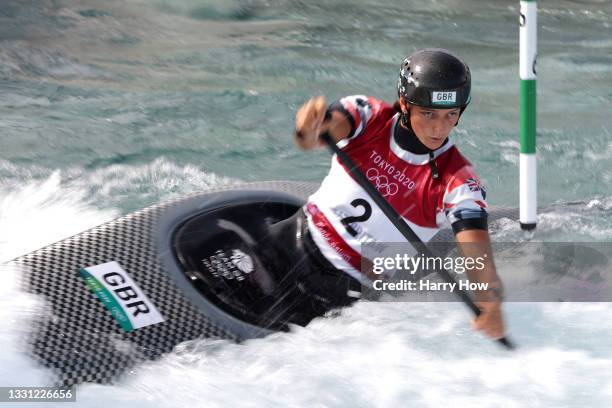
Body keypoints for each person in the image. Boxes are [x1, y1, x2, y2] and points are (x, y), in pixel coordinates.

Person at [272, 48, 505, 339]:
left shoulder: (458, 181)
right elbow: (313, 138)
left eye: (451, 115)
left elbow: (477, 254)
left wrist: (489, 299)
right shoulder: (368, 116)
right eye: (428, 113)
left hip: (342, 287)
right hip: (292, 237)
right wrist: (308, 128)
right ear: (405, 104)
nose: (438, 127)